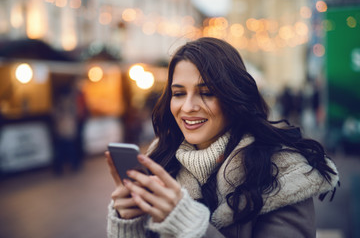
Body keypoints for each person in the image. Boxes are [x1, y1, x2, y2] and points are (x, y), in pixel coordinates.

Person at [105, 37, 339, 238]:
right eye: (178, 93)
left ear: (233, 96)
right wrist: (129, 223)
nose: (187, 107)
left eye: (206, 93)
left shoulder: (282, 170)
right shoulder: (160, 161)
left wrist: (188, 223)